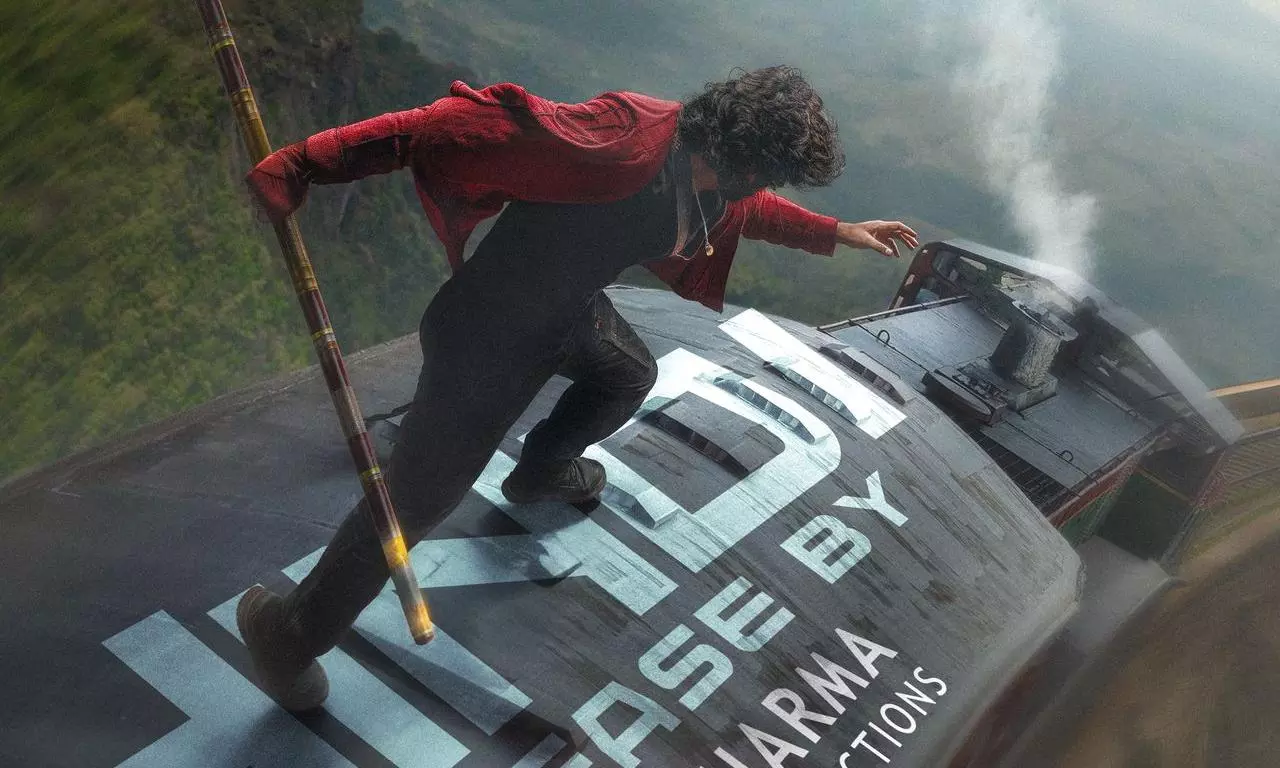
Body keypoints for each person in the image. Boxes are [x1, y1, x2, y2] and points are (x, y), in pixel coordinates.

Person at [236, 65, 919, 711]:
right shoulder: (621, 141)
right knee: (415, 502)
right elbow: (447, 127)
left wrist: (839, 233)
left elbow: (745, 212)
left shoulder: (703, 171)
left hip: (563, 314)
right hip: (487, 334)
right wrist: (303, 163)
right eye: (769, 175)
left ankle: (541, 470)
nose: (765, 187)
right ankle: (288, 636)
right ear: (746, 163)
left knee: (627, 374)